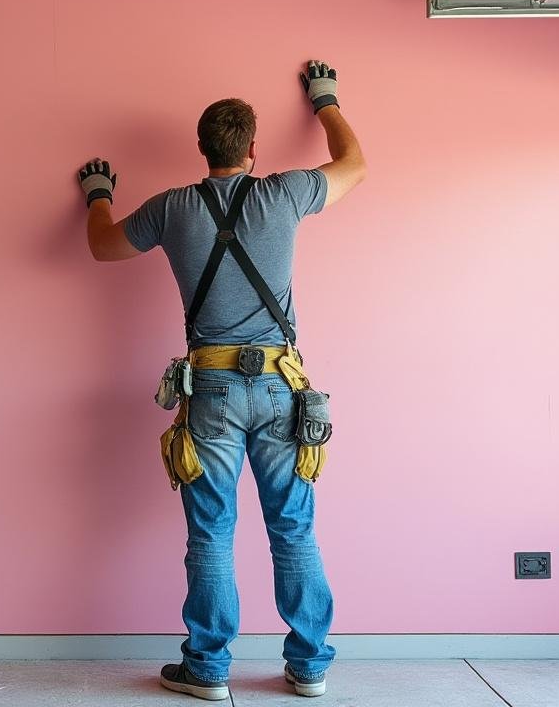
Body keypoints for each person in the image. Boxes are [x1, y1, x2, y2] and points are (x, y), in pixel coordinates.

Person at [76, 62, 366, 700]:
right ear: (253, 148)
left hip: (209, 390)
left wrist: (98, 193)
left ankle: (207, 670)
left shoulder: (171, 208)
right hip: (282, 388)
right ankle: (309, 666)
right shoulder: (285, 193)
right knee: (293, 528)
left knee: (211, 532)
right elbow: (354, 164)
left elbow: (102, 246)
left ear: (201, 149)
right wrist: (324, 100)